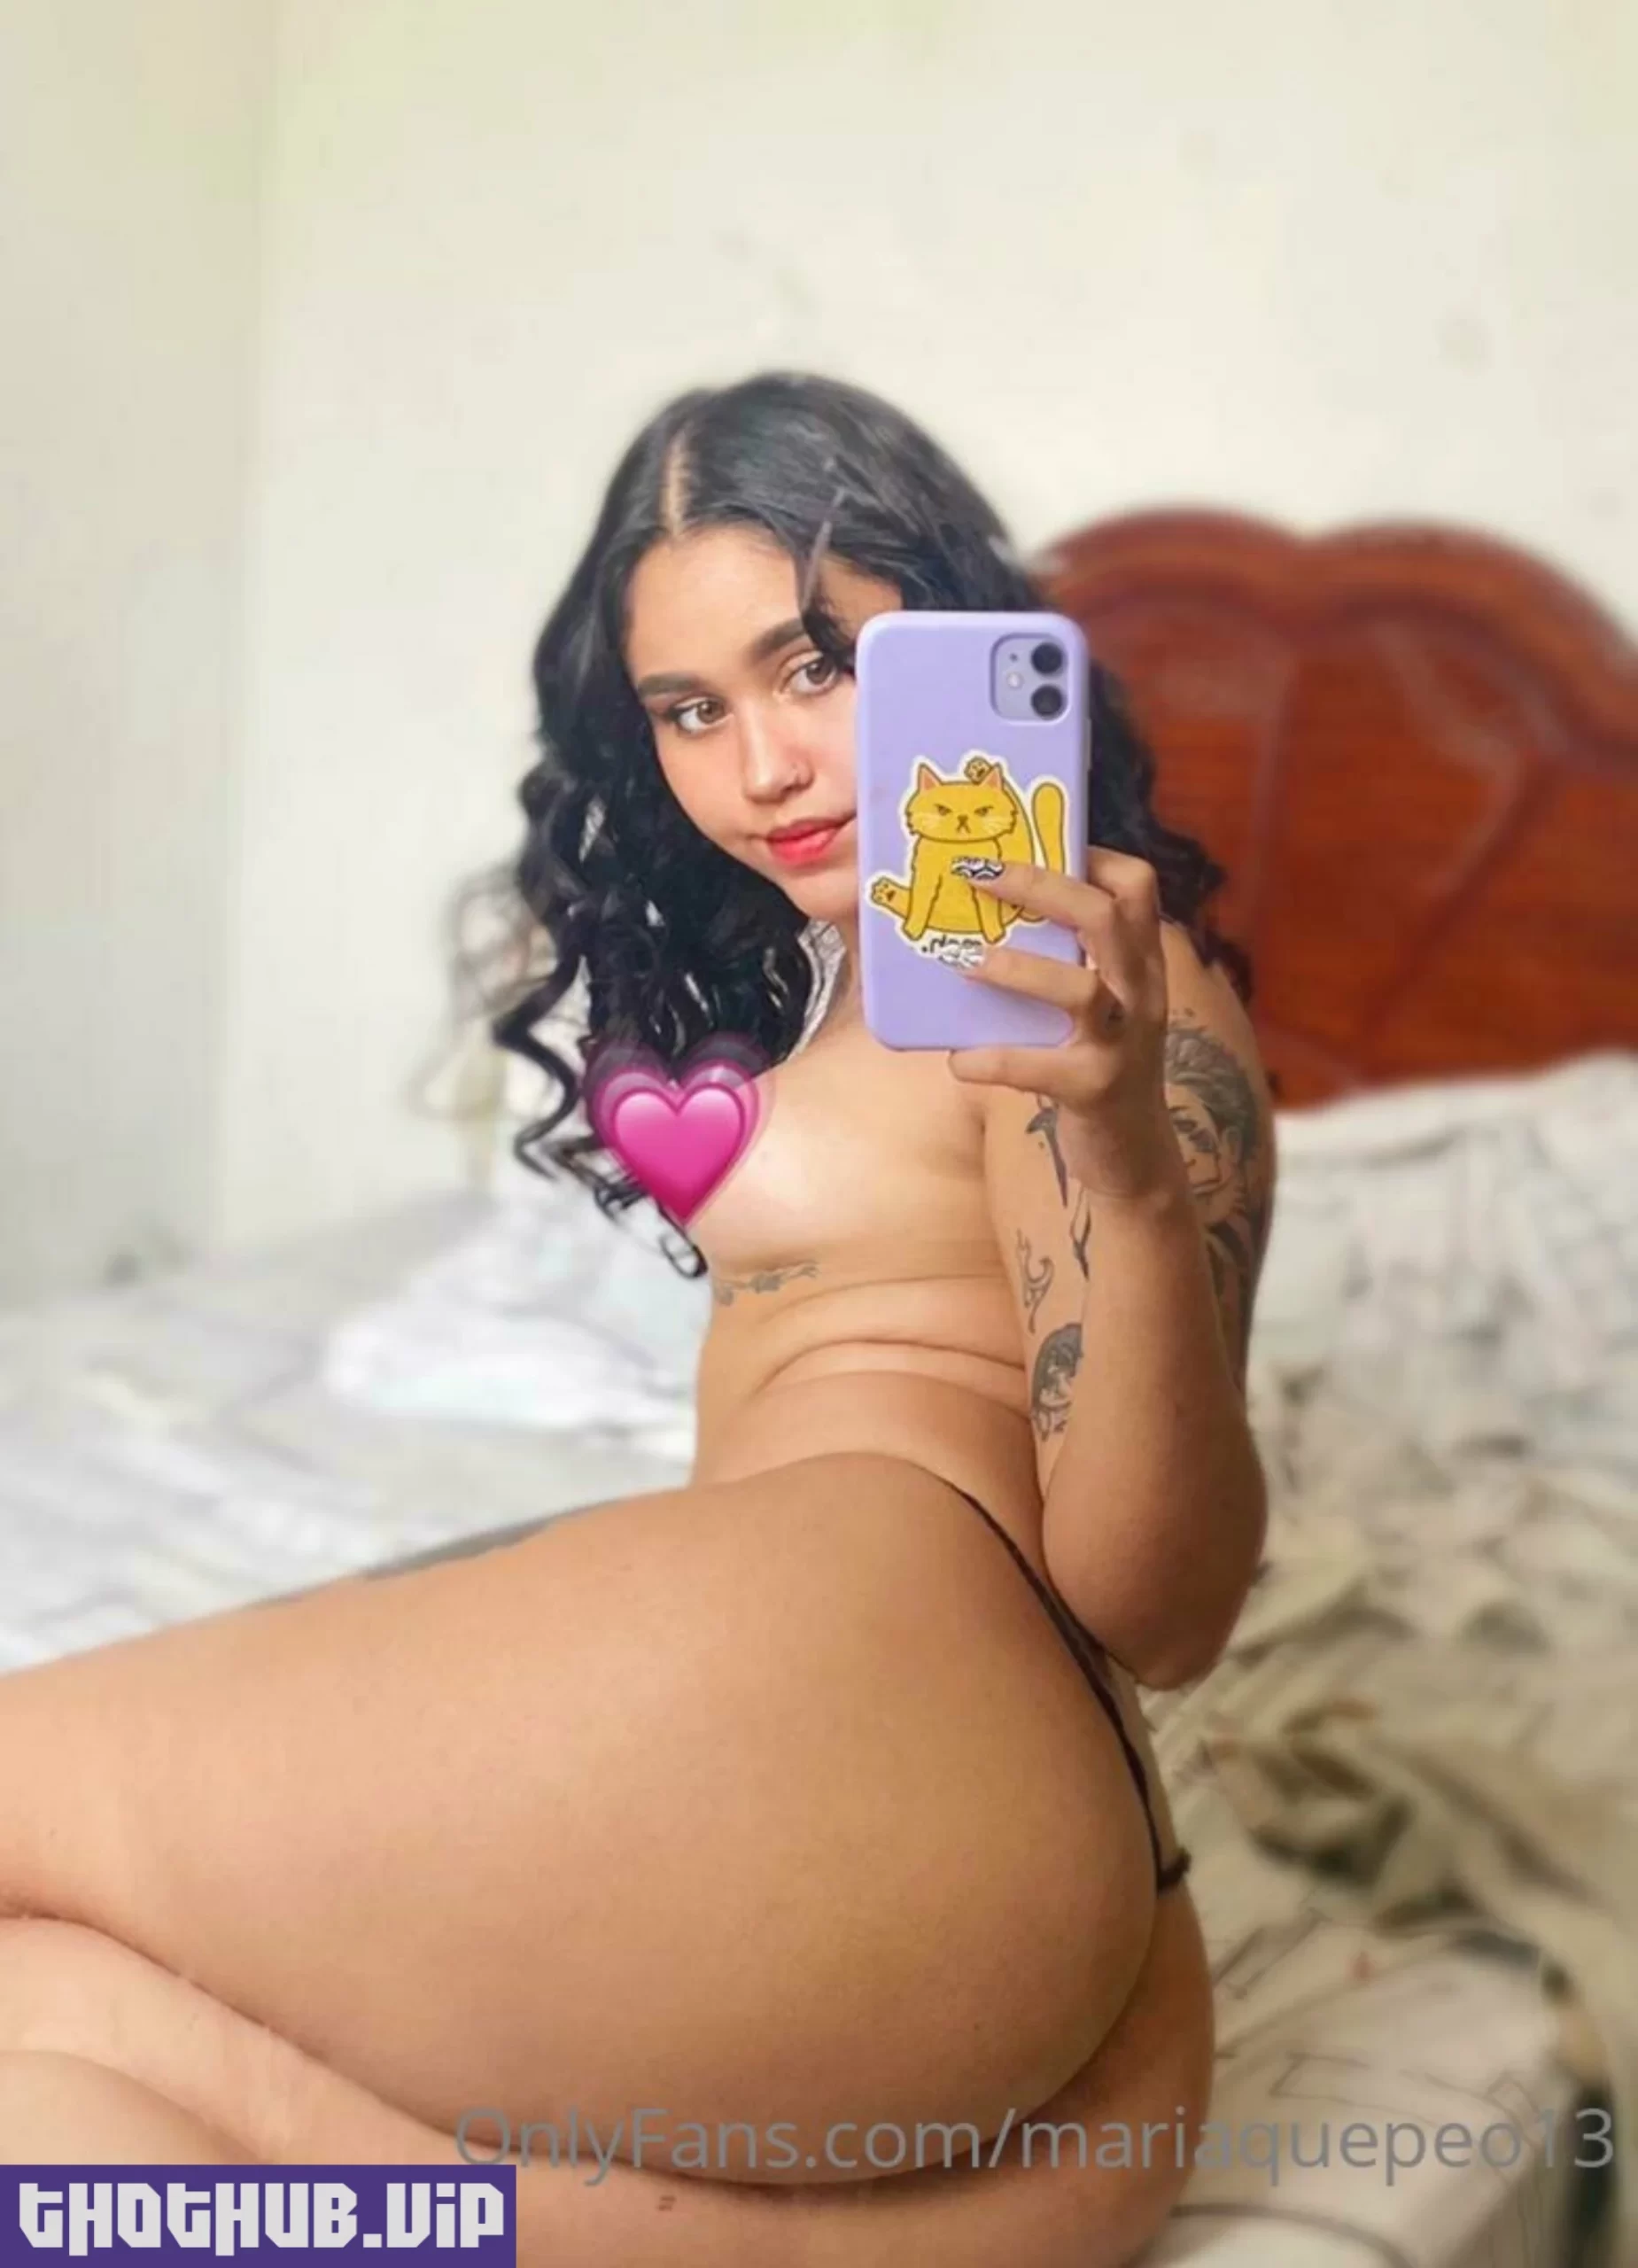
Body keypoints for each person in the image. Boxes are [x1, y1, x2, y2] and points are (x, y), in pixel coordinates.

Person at [0, 373, 1276, 2268]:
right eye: (692, 709)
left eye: (817, 666)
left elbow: (1165, 1612)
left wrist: (1117, 1148)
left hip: (897, 1686)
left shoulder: (1076, 993)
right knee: (51, 2053)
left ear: (963, 642)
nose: (764, 766)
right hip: (937, 1856)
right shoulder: (833, 978)